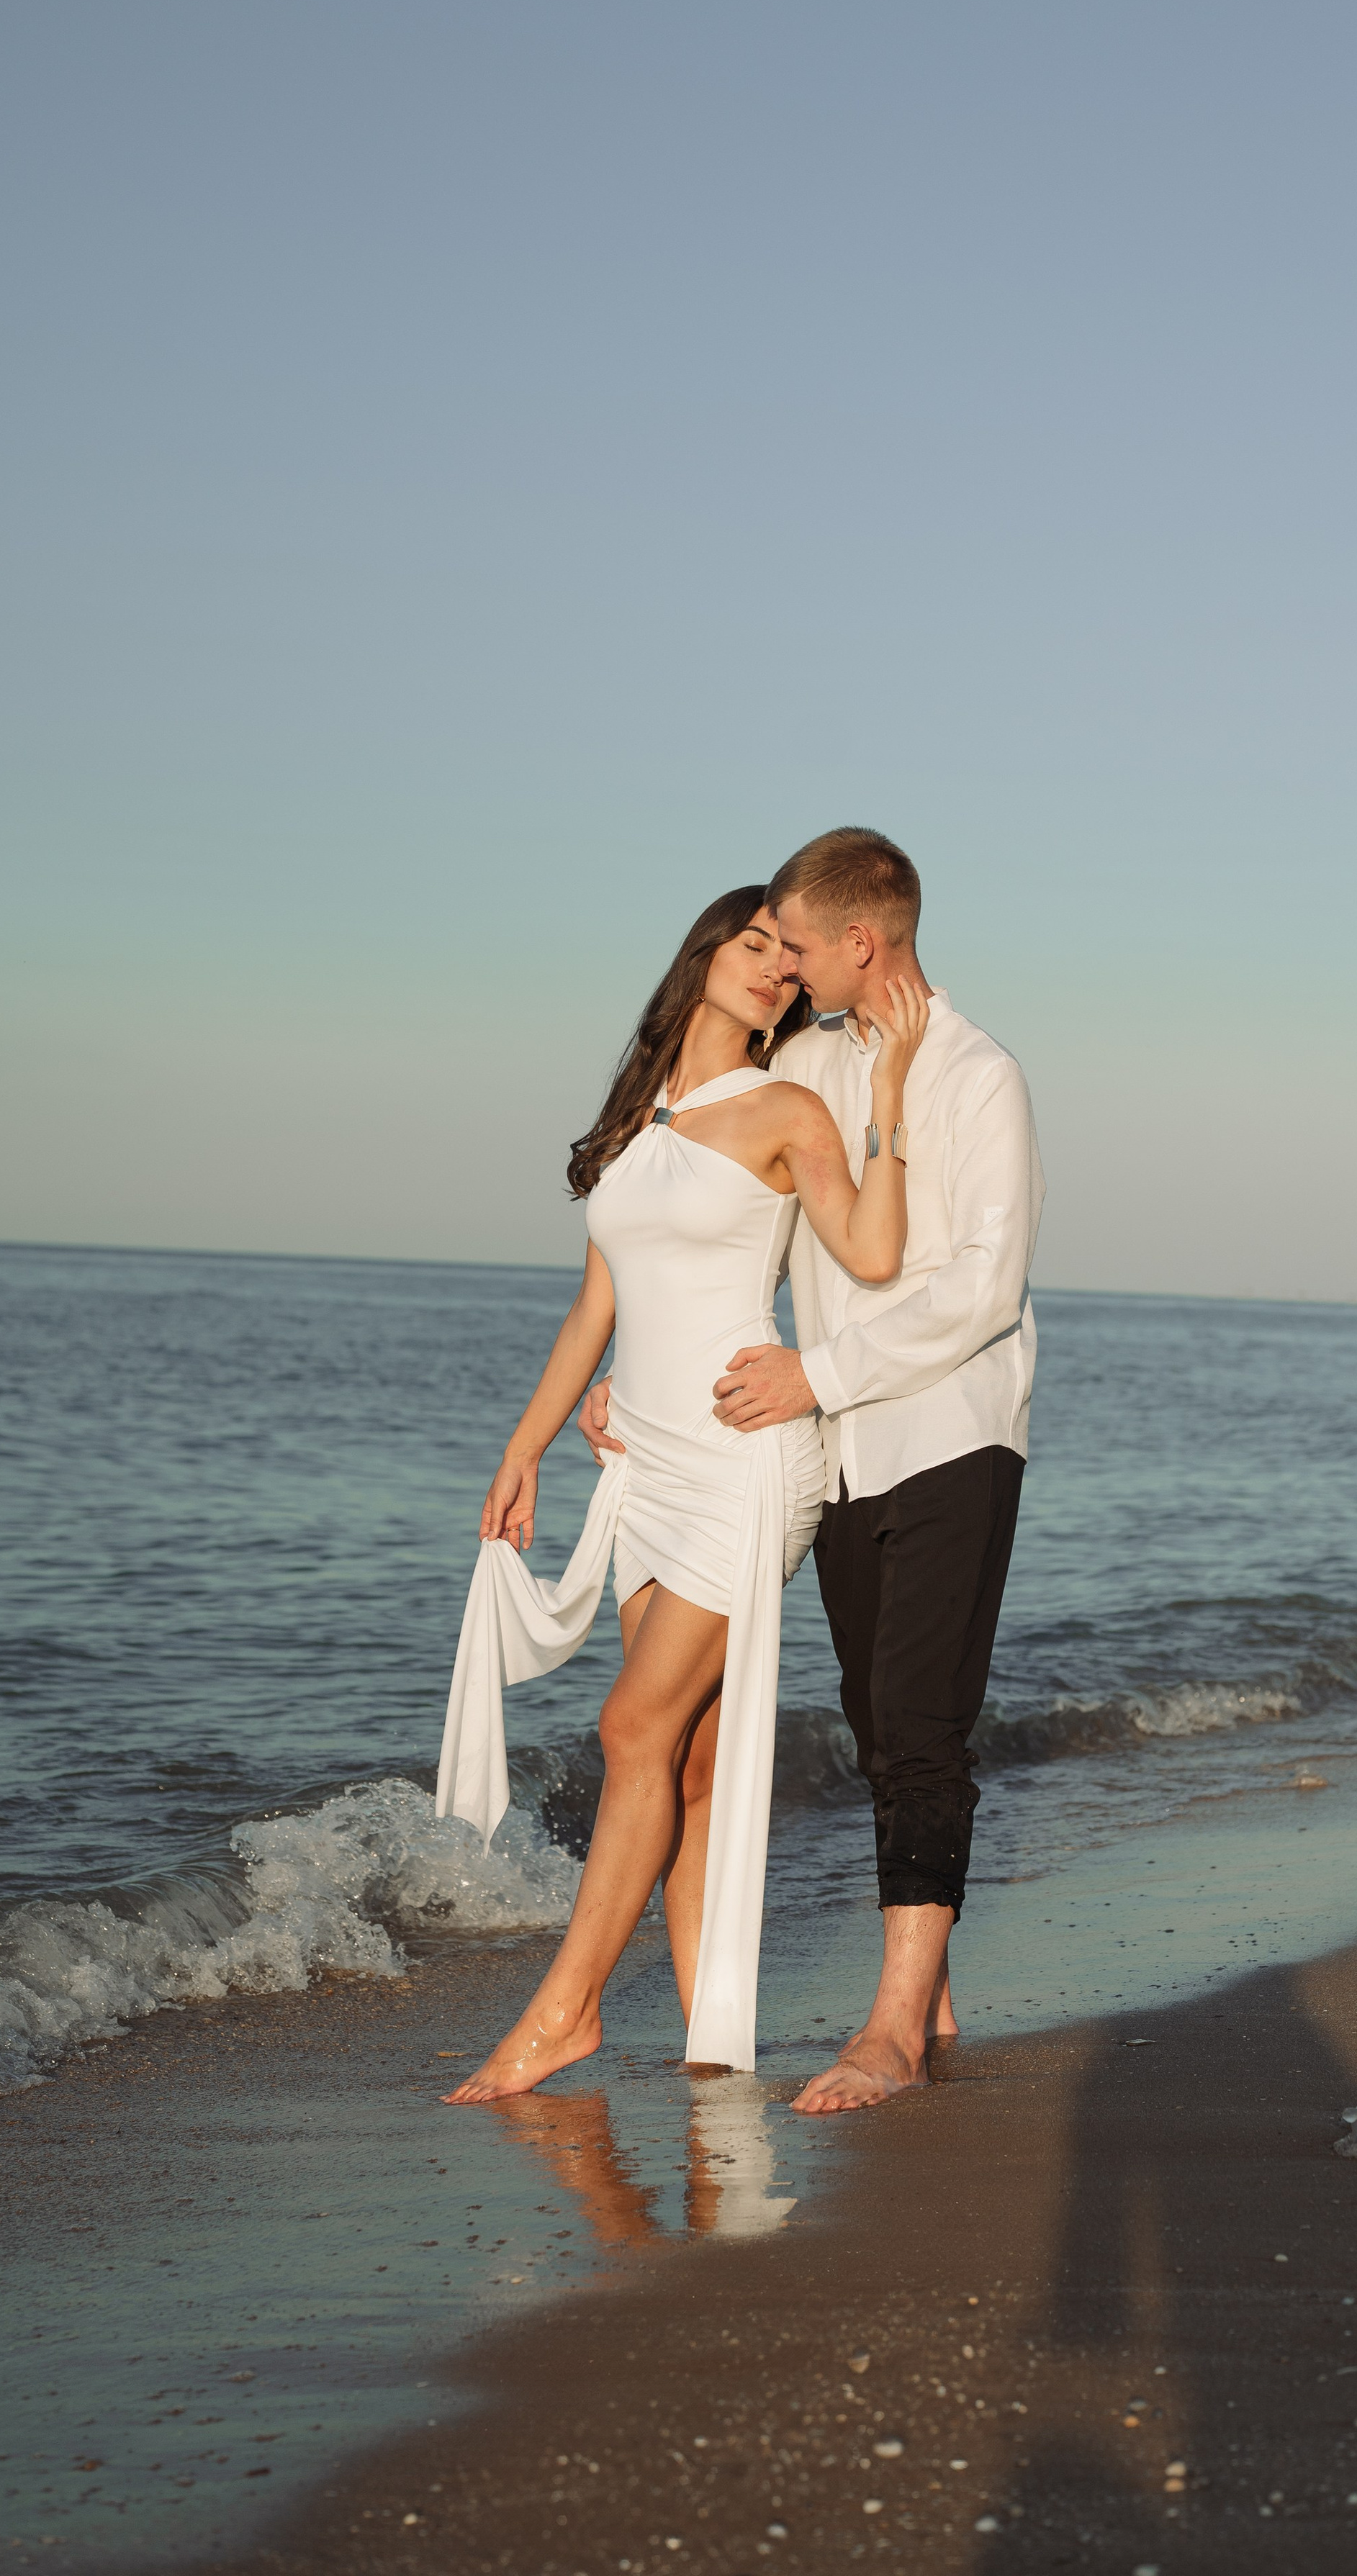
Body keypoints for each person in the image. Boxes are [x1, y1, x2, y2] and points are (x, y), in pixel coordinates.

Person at [438, 887, 927, 2100]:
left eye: (785, 954)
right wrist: (527, 1445)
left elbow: (870, 1253)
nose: (770, 969)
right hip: (641, 1466)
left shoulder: (789, 1106)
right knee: (690, 1762)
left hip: (741, 1462)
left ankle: (567, 2010)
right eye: (750, 944)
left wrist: (895, 1105)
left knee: (629, 1730)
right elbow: (598, 1306)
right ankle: (712, 2036)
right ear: (703, 955)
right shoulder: (635, 1120)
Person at [584, 829, 1044, 2114]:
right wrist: (652, 1371)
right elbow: (733, 1228)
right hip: (828, 1454)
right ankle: (931, 1980)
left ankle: (896, 2024)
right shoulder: (802, 1062)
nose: (780, 965)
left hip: (951, 1431)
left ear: (862, 940)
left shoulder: (977, 1074)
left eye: (795, 942)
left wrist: (819, 1377)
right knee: (866, 1716)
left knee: (917, 1723)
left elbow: (981, 1288)